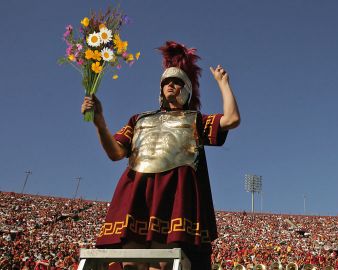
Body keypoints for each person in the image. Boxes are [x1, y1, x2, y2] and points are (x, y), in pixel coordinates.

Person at [81, 41, 240, 270]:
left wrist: (223, 84)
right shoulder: (140, 119)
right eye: (167, 82)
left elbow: (232, 119)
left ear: (186, 90)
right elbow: (115, 153)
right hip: (138, 191)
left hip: (174, 194)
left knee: (163, 263)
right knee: (131, 263)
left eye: (177, 82)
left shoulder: (195, 119)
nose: (171, 85)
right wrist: (100, 122)